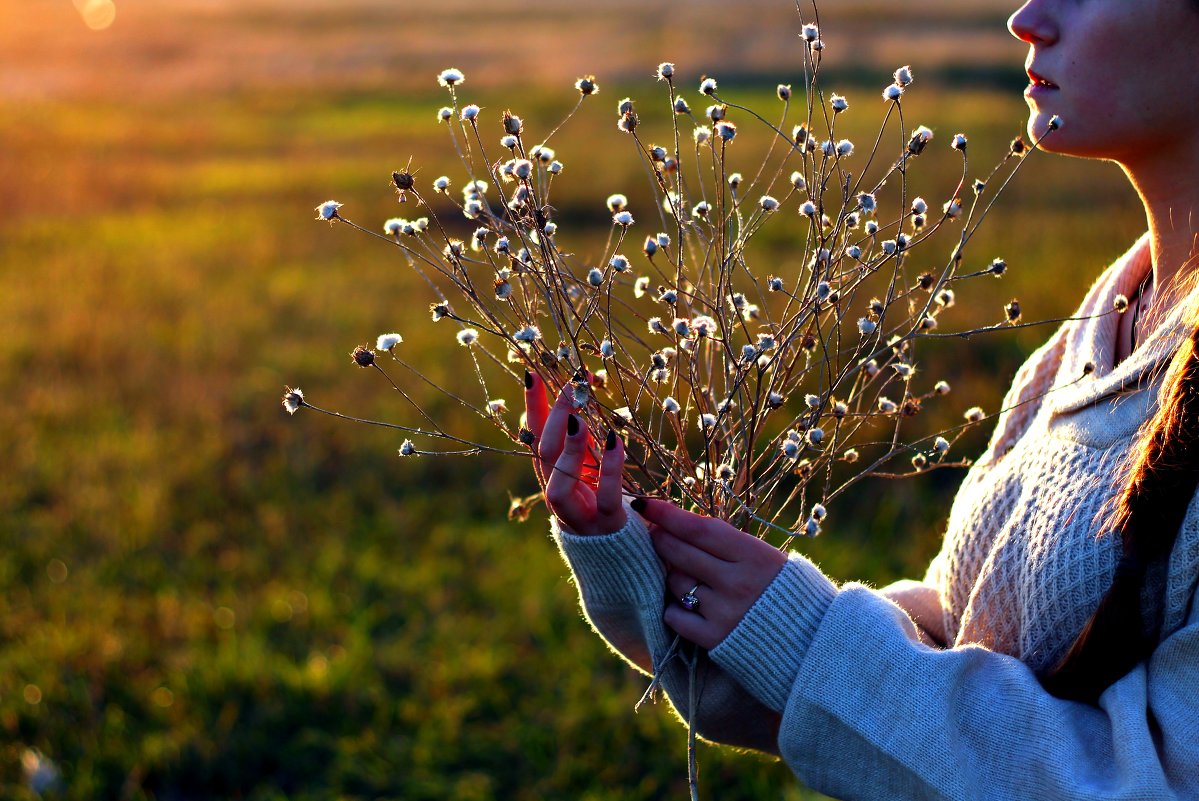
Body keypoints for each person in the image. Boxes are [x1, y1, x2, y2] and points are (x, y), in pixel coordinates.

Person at [522, 0, 1199, 796]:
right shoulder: (1101, 325)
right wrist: (643, 557)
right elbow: (965, 633)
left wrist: (812, 642)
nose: (1026, 17)